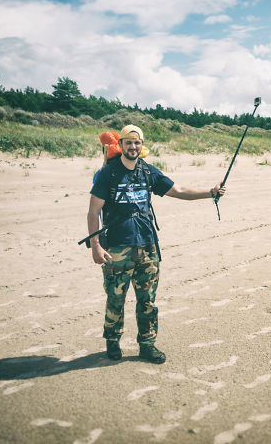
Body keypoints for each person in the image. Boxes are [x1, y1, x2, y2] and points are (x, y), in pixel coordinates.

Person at [86, 125, 225, 363]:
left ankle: (147, 345)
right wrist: (96, 246)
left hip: (148, 245)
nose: (132, 147)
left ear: (142, 146)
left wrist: (210, 192)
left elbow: (178, 190)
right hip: (117, 248)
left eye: (136, 143)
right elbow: (93, 212)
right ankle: (112, 341)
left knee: (147, 300)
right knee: (115, 298)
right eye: (128, 143)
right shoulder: (108, 174)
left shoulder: (148, 172)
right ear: (120, 146)